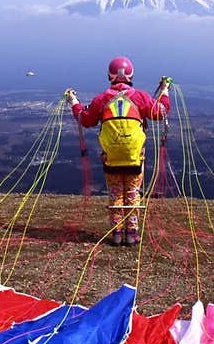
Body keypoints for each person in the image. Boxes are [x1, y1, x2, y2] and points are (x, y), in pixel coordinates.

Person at [65, 56, 171, 247]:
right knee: (132, 191)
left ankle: (116, 233)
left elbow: (85, 119)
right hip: (135, 157)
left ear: (109, 76)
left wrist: (73, 101)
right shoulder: (140, 97)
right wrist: (164, 91)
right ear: (131, 75)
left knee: (115, 192)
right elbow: (160, 112)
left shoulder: (102, 99)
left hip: (111, 157)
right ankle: (132, 234)